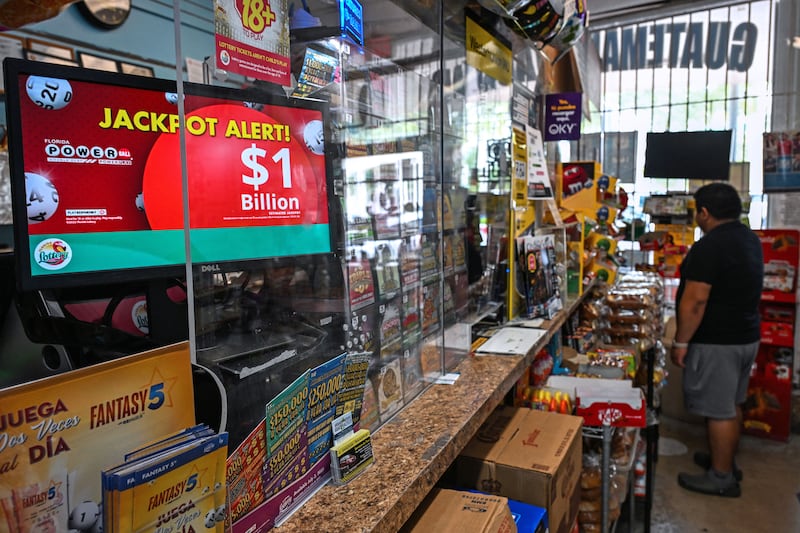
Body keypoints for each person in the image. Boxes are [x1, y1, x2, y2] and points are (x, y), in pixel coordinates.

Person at [670, 182, 763, 498]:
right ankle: (724, 461)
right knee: (731, 403)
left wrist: (681, 342)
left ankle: (721, 476)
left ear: (704, 213)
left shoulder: (709, 246)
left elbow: (695, 301)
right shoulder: (749, 239)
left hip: (719, 341)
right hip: (746, 336)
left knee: (719, 410)